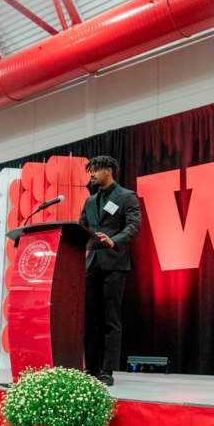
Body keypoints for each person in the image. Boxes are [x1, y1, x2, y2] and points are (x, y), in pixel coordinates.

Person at [79, 155, 141, 386]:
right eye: (90, 171)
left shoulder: (126, 196)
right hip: (92, 264)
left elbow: (133, 226)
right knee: (89, 319)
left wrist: (113, 241)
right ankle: (91, 368)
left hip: (114, 263)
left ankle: (107, 371)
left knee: (110, 319)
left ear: (109, 170)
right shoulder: (90, 201)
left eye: (95, 170)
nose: (92, 174)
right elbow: (81, 227)